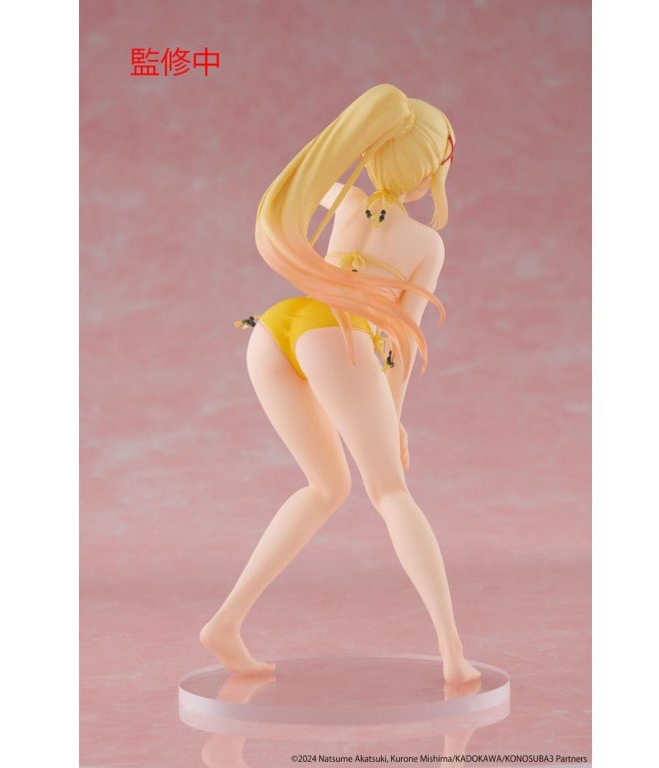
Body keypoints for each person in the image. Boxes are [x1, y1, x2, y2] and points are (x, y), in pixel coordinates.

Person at [200, 83, 480, 684]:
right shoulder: (425, 244)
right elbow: (401, 342)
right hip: (338, 336)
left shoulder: (346, 199)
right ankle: (453, 652)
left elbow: (311, 172)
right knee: (390, 491)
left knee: (326, 486)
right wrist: (393, 418)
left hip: (275, 327)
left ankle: (225, 623)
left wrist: (358, 134)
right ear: (433, 170)